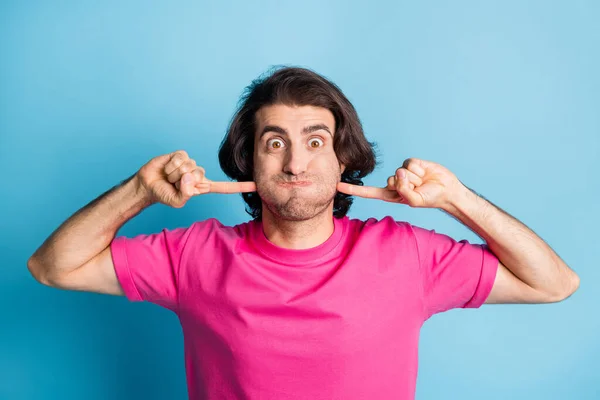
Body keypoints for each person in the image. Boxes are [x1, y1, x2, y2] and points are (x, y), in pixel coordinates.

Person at [28, 66, 579, 400]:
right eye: (275, 143)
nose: (295, 163)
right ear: (249, 163)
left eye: (316, 142)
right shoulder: (193, 256)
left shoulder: (406, 254)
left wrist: (456, 198)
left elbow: (553, 283)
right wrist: (140, 190)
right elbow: (52, 266)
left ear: (344, 160)